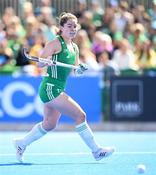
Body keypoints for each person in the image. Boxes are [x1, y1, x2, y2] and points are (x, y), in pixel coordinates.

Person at [13, 12, 115, 162]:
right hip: (50, 87)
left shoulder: (74, 47)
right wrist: (46, 61)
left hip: (58, 88)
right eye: (69, 26)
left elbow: (74, 70)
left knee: (49, 124)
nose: (73, 29)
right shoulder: (54, 43)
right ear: (61, 28)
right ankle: (96, 151)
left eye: (75, 26)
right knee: (80, 116)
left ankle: (21, 143)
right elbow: (39, 63)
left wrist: (79, 69)